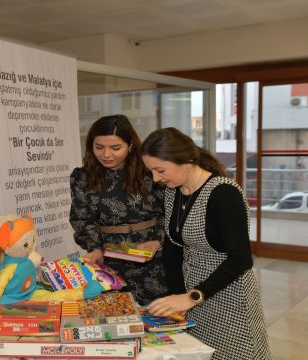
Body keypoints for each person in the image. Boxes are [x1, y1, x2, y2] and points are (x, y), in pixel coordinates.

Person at [141, 127, 271, 359]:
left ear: (186, 162)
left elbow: (241, 259)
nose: (156, 179)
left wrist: (192, 297)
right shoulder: (174, 192)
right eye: (151, 171)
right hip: (192, 292)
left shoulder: (223, 193)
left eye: (160, 170)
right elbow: (173, 248)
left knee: (235, 353)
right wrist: (177, 297)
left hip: (228, 292)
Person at [69, 114, 171, 306]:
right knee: (112, 317)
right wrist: (95, 249)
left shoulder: (150, 172)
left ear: (130, 145)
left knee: (156, 317)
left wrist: (158, 240)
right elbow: (81, 219)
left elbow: (171, 212)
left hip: (151, 258)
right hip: (107, 261)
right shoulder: (81, 177)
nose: (107, 154)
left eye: (116, 148)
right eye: (99, 147)